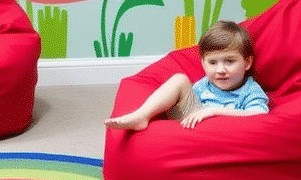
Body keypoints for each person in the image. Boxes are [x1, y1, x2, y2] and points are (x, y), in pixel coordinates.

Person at [105, 19, 268, 132]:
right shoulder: (204, 85)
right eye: (212, 63)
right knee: (179, 80)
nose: (220, 70)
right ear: (203, 63)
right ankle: (141, 116)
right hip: (191, 123)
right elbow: (185, 106)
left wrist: (215, 112)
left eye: (229, 61)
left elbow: (259, 114)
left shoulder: (250, 90)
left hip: (221, 131)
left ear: (246, 63)